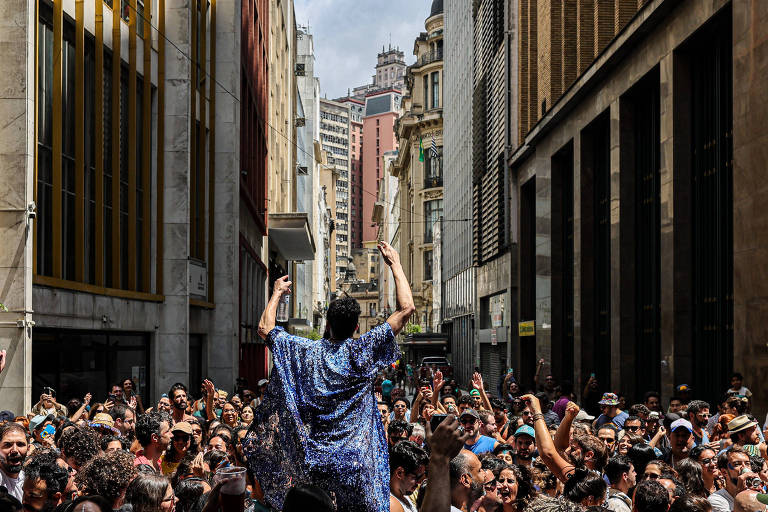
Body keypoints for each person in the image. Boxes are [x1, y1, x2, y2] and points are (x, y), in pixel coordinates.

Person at [244, 241, 415, 512]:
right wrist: (395, 264)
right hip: (357, 465)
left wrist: (276, 292)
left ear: (327, 324)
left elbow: (265, 328)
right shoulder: (362, 350)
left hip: (317, 465)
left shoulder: (306, 350)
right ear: (357, 327)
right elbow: (406, 309)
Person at [709, 446, 759, 512]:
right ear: (724, 472)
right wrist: (739, 493)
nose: (744, 468)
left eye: (747, 464)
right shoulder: (715, 500)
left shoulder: (754, 494)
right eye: (737, 464)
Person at [389, 441, 428, 512]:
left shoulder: (404, 497)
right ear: (399, 473)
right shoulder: (392, 505)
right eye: (417, 477)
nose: (419, 482)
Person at [0, 424, 28, 501]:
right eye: (8, 445)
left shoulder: (29, 480)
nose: (14, 450)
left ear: (28, 448)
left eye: (20, 444)